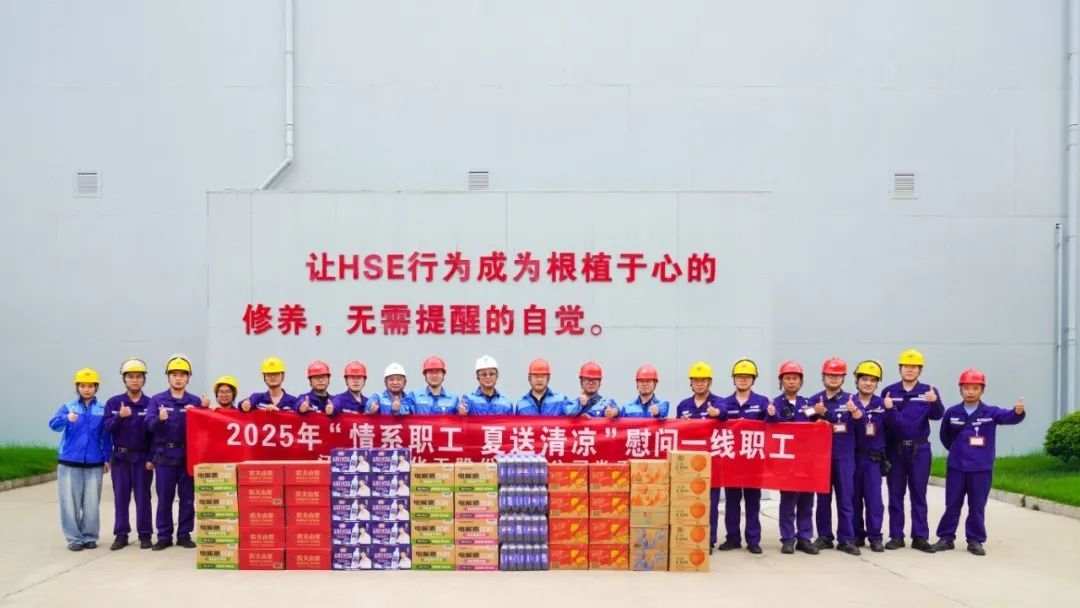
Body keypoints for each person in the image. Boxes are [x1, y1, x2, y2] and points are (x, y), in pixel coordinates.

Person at [932, 369, 1025, 556]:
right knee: (952, 504)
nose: (970, 392)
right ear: (960, 389)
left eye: (975, 388)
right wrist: (957, 450)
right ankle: (946, 538)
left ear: (982, 390)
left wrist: (1018, 412)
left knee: (977, 506)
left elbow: (1009, 417)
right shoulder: (952, 412)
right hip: (957, 467)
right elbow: (945, 436)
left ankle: (975, 540)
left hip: (981, 468)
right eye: (966, 388)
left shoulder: (991, 412)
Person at [880, 348, 944, 553]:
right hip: (895, 449)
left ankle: (920, 537)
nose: (909, 370)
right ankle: (896, 536)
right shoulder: (889, 391)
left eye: (914, 367)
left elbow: (937, 415)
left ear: (920, 370)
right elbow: (884, 422)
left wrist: (935, 401)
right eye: (906, 366)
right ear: (900, 368)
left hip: (919, 449)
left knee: (918, 493)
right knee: (895, 494)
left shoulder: (928, 391)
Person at [49, 368, 111, 552]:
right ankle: (74, 539)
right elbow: (53, 425)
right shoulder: (68, 407)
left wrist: (107, 458)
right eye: (83, 386)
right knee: (70, 503)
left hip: (94, 462)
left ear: (96, 387)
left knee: (91, 503)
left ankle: (90, 536)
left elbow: (107, 436)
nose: (86, 389)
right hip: (69, 462)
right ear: (77, 387)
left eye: (90, 386)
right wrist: (66, 418)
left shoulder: (102, 409)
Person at [145, 355, 202, 550]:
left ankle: (184, 534)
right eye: (174, 374)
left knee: (187, 499)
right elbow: (148, 426)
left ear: (188, 378)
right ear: (168, 377)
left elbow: (203, 429)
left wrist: (203, 409)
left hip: (187, 457)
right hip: (164, 457)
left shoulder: (194, 401)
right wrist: (159, 420)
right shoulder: (157, 400)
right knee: (164, 499)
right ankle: (164, 536)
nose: (178, 378)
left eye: (182, 375)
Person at [808, 357, 864, 555]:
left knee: (846, 500)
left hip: (844, 457)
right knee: (823, 500)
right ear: (823, 377)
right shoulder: (814, 400)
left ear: (843, 378)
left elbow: (862, 422)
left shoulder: (851, 400)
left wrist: (851, 412)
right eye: (830, 375)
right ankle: (824, 537)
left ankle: (846, 539)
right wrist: (816, 416)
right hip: (821, 459)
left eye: (837, 375)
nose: (833, 378)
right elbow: (804, 419)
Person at [716, 359, 770, 554]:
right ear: (734, 379)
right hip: (731, 461)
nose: (743, 380)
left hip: (753, 461)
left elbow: (771, 425)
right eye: (739, 376)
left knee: (753, 502)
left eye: (747, 377)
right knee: (732, 502)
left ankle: (753, 540)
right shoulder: (724, 402)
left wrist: (772, 414)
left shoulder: (762, 402)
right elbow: (718, 419)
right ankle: (733, 538)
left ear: (753, 379)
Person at [765, 361, 819, 555]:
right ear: (781, 381)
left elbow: (816, 422)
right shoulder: (775, 404)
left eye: (795, 378)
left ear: (800, 381)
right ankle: (788, 539)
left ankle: (804, 538)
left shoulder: (807, 404)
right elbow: (770, 426)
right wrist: (771, 416)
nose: (791, 381)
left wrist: (821, 415)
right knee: (788, 501)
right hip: (787, 462)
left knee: (806, 501)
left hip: (806, 462)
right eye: (787, 378)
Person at [674, 361, 727, 552]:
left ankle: (708, 540)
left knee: (709, 504)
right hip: (689, 463)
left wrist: (717, 413)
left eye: (703, 380)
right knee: (688, 501)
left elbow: (725, 414)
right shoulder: (683, 405)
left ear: (709, 382)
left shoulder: (719, 402)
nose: (699, 384)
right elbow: (676, 430)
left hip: (711, 462)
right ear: (691, 383)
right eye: (696, 380)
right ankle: (688, 537)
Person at [103, 358, 154, 550]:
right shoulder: (114, 402)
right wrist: (119, 416)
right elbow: (107, 427)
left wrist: (151, 458)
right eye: (130, 376)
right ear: (124, 379)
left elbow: (154, 434)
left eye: (138, 377)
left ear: (144, 379)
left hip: (142, 458)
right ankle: (121, 535)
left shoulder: (150, 403)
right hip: (120, 458)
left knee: (143, 498)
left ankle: (145, 535)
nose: (134, 380)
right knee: (121, 498)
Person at [851, 360, 888, 552]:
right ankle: (856, 535)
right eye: (864, 379)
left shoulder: (882, 404)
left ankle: (875, 537)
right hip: (853, 458)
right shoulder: (848, 402)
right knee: (853, 499)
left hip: (873, 459)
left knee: (874, 500)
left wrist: (892, 410)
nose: (868, 383)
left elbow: (894, 429)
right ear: (857, 381)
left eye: (873, 380)